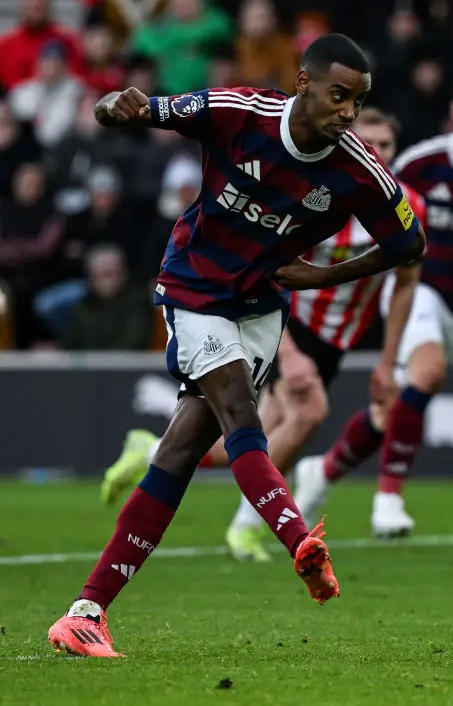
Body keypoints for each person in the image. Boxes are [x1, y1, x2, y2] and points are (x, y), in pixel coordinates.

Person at [47, 34, 427, 659]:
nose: (348, 114)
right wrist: (119, 106)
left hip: (259, 307)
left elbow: (410, 245)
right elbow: (138, 107)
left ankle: (86, 612)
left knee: (180, 452)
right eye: (338, 96)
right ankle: (298, 539)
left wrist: (323, 274)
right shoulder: (239, 111)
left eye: (358, 102)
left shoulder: (357, 170)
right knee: (240, 412)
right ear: (303, 83)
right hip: (193, 285)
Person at [99, 108, 427, 562]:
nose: (376, 151)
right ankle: (251, 527)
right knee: (306, 413)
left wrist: (389, 361)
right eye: (368, 139)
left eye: (386, 145)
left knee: (242, 431)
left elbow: (406, 280)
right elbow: (274, 268)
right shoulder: (319, 188)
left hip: (339, 338)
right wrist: (287, 352)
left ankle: (152, 449)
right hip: (292, 325)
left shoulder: (394, 201)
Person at [290, 70, 453, 535]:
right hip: (416, 288)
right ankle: (388, 500)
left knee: (391, 406)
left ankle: (323, 471)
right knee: (427, 374)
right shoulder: (419, 163)